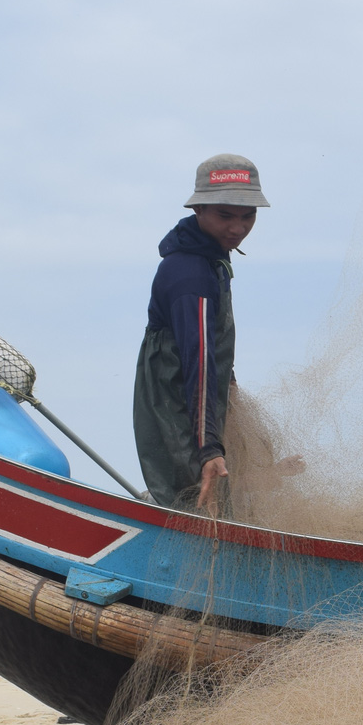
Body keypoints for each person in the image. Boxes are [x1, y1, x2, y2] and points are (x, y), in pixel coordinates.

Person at [134, 154, 268, 513]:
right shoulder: (191, 275)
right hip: (176, 396)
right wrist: (209, 448)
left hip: (203, 389)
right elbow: (198, 360)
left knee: (231, 480)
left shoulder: (213, 257)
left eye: (248, 216)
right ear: (200, 209)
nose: (237, 228)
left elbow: (213, 346)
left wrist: (232, 388)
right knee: (197, 490)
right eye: (225, 215)